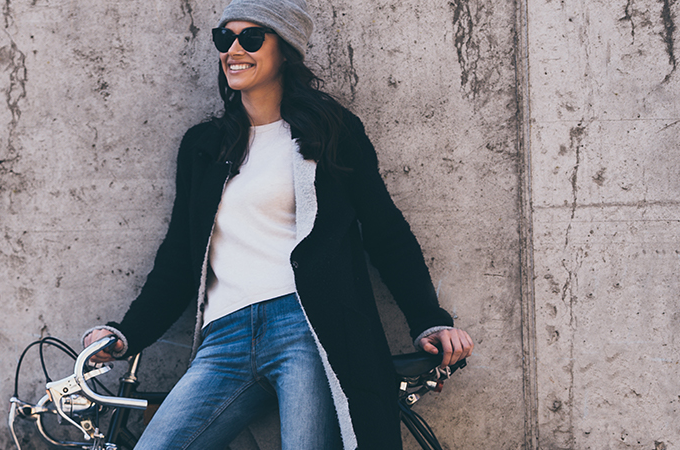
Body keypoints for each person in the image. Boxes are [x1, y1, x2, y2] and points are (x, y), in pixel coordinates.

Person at [82, 0, 474, 448]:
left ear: (285, 50)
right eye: (223, 38)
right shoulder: (204, 147)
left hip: (304, 327)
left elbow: (386, 233)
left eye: (251, 38)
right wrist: (126, 335)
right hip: (222, 339)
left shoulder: (331, 133)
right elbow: (178, 259)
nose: (233, 49)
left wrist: (430, 319)